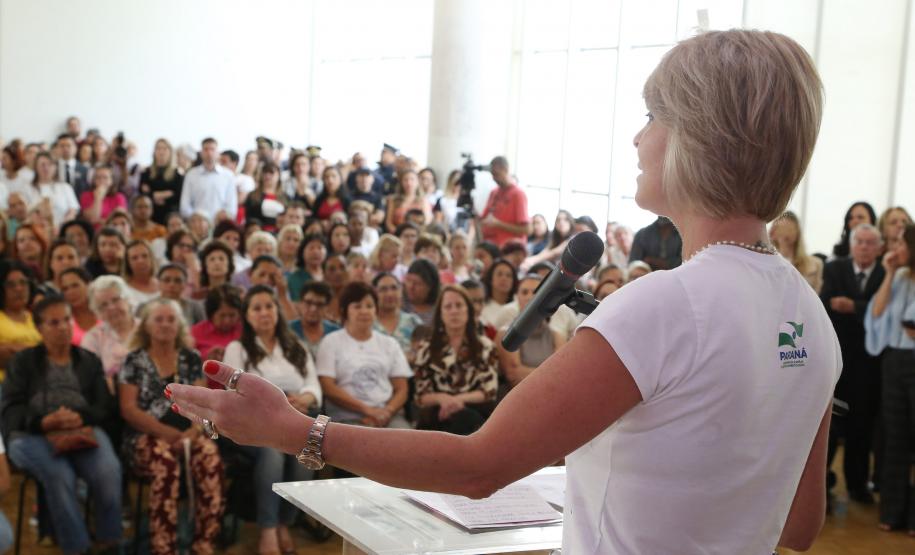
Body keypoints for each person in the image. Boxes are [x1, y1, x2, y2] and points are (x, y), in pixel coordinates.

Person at [170, 30, 837, 553]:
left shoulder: (664, 304)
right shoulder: (809, 316)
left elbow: (477, 466)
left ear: (698, 136)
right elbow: (799, 524)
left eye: (652, 115)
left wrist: (294, 429)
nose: (637, 136)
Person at [2, 296, 123, 555]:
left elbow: (104, 406)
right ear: (39, 328)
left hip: (81, 428)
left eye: (67, 320)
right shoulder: (23, 362)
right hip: (30, 433)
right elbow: (9, 409)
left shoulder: (88, 360)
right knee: (59, 474)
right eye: (54, 322)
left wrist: (82, 417)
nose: (63, 327)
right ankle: (78, 548)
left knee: (107, 471)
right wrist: (42, 421)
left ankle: (110, 542)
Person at [118, 299, 223, 555]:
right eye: (159, 319)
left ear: (179, 325)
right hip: (145, 435)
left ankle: (203, 544)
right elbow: (128, 409)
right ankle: (164, 548)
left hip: (189, 432)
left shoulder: (190, 357)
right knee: (164, 465)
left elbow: (203, 403)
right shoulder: (134, 360)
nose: (165, 325)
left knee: (209, 459)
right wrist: (166, 434)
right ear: (146, 326)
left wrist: (194, 431)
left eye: (171, 319)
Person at [223, 285, 321, 554]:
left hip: (297, 418)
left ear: (277, 311)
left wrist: (305, 399)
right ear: (247, 316)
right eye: (257, 308)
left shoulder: (295, 346)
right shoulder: (237, 348)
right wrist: (275, 402)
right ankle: (267, 528)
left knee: (308, 453)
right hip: (254, 426)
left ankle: (284, 523)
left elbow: (313, 385)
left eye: (269, 306)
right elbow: (233, 391)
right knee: (273, 454)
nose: (264, 312)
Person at [820, 223, 885, 506]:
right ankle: (821, 484)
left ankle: (858, 485)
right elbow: (826, 304)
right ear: (852, 244)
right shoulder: (835, 269)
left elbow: (881, 315)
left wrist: (854, 307)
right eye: (860, 242)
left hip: (871, 363)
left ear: (880, 248)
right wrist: (865, 308)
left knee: (861, 427)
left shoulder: (886, 274)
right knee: (831, 425)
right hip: (838, 357)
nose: (865, 248)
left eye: (871, 243)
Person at [865, 224, 915, 534]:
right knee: (896, 437)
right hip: (895, 361)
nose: (895, 247)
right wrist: (886, 273)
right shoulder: (898, 277)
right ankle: (892, 510)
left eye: (900, 242)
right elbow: (878, 313)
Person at [313, 282, 413, 429]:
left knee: (408, 441)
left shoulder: (390, 343)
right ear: (344, 311)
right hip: (346, 418)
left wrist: (387, 412)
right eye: (357, 306)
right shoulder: (331, 342)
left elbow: (402, 389)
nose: (364, 311)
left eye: (369, 306)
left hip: (387, 416)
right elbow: (327, 386)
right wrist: (367, 410)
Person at [412, 285, 499, 434]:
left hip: (475, 410)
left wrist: (457, 400)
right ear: (440, 314)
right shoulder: (426, 348)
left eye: (459, 305)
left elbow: (489, 391)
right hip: (437, 412)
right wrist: (443, 399)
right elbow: (421, 396)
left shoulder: (486, 346)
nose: (454, 311)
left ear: (469, 311)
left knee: (466, 418)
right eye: (448, 306)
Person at [495, 273, 566, 389]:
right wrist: (551, 373)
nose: (529, 297)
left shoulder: (557, 335)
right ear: (517, 297)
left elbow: (563, 374)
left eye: (535, 292)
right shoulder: (505, 333)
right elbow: (514, 375)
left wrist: (527, 372)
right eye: (524, 292)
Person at [82, 275, 137, 391]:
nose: (111, 307)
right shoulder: (93, 339)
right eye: (103, 305)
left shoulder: (148, 328)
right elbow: (89, 377)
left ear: (128, 299)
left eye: (116, 300)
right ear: (97, 311)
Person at [179, 137, 237, 221]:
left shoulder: (228, 176)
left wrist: (224, 216)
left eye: (212, 149)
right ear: (201, 152)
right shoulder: (191, 175)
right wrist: (196, 219)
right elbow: (184, 206)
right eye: (206, 149)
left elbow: (231, 206)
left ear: (218, 153)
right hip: (196, 225)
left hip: (220, 224)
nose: (209, 153)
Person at [0, 261, 42, 375]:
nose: (19, 288)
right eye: (10, 285)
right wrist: (36, 351)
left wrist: (12, 347)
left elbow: (51, 353)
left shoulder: (38, 317)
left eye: (23, 283)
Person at [480, 156, 529, 247]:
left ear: (505, 170)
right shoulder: (493, 192)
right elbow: (484, 218)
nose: (494, 178)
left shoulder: (518, 194)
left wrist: (498, 224)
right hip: (490, 247)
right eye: (492, 174)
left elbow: (526, 229)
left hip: (508, 249)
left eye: (496, 174)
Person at [22, 151, 79, 228]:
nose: (46, 168)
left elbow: (73, 211)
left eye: (50, 164)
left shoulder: (65, 187)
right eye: (42, 165)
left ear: (55, 167)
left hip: (63, 228)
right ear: (36, 167)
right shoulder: (27, 188)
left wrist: (61, 226)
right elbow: (26, 213)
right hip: (37, 229)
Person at [770, 210, 824, 293]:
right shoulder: (768, 262)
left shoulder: (815, 264)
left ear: (797, 232)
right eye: (782, 229)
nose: (786, 233)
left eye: (790, 229)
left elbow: (816, 296)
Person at [191, 284, 243, 365]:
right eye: (222, 316)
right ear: (211, 314)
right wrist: (205, 360)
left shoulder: (246, 332)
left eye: (232, 315)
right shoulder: (195, 332)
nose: (227, 321)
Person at [372, 272, 422, 355]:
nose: (390, 294)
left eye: (394, 288)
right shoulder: (367, 324)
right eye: (383, 289)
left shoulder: (413, 321)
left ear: (401, 291)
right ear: (374, 293)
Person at [140, 138, 184, 225]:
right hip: (150, 215)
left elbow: (178, 195)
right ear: (154, 152)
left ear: (170, 152)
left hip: (170, 214)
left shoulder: (177, 174)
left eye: (164, 149)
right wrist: (165, 194)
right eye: (158, 148)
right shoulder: (146, 172)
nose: (161, 152)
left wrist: (154, 194)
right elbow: (142, 193)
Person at [59, 267, 98, 345]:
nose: (71, 292)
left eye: (75, 286)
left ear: (89, 284)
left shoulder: (106, 312)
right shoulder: (62, 321)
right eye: (65, 289)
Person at [244, 161, 286, 232]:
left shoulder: (285, 197)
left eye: (271, 173)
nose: (267, 176)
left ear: (278, 176)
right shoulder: (252, 196)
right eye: (265, 172)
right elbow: (249, 217)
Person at [287, 233, 326, 302]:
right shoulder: (296, 277)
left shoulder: (329, 274)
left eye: (320, 248)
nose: (316, 252)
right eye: (311, 248)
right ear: (302, 252)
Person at [403, 258, 440, 326]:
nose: (411, 287)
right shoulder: (400, 304)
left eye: (417, 283)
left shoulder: (439, 311)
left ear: (430, 287)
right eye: (408, 280)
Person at [480, 258, 518, 325]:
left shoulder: (518, 303)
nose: (504, 278)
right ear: (491, 279)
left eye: (508, 275)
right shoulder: (482, 306)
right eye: (499, 274)